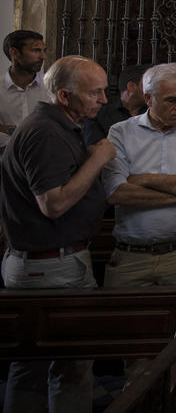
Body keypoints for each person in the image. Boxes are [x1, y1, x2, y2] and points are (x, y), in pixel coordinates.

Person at [0, 56, 117, 412]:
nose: (103, 100)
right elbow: (53, 204)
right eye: (95, 93)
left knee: (31, 367)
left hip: (47, 263)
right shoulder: (44, 132)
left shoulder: (56, 126)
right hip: (52, 267)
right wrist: (98, 158)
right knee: (70, 368)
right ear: (64, 96)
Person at [103, 63, 176, 287]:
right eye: (171, 100)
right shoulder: (121, 132)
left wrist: (144, 179)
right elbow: (117, 193)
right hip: (131, 257)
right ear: (148, 98)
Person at [0, 29, 52, 152]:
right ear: (14, 53)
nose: (43, 56)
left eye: (44, 51)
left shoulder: (51, 88)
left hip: (43, 155)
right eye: (36, 50)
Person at [83, 63, 150, 145]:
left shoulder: (154, 114)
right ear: (131, 86)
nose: (154, 90)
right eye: (149, 84)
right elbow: (96, 149)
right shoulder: (99, 115)